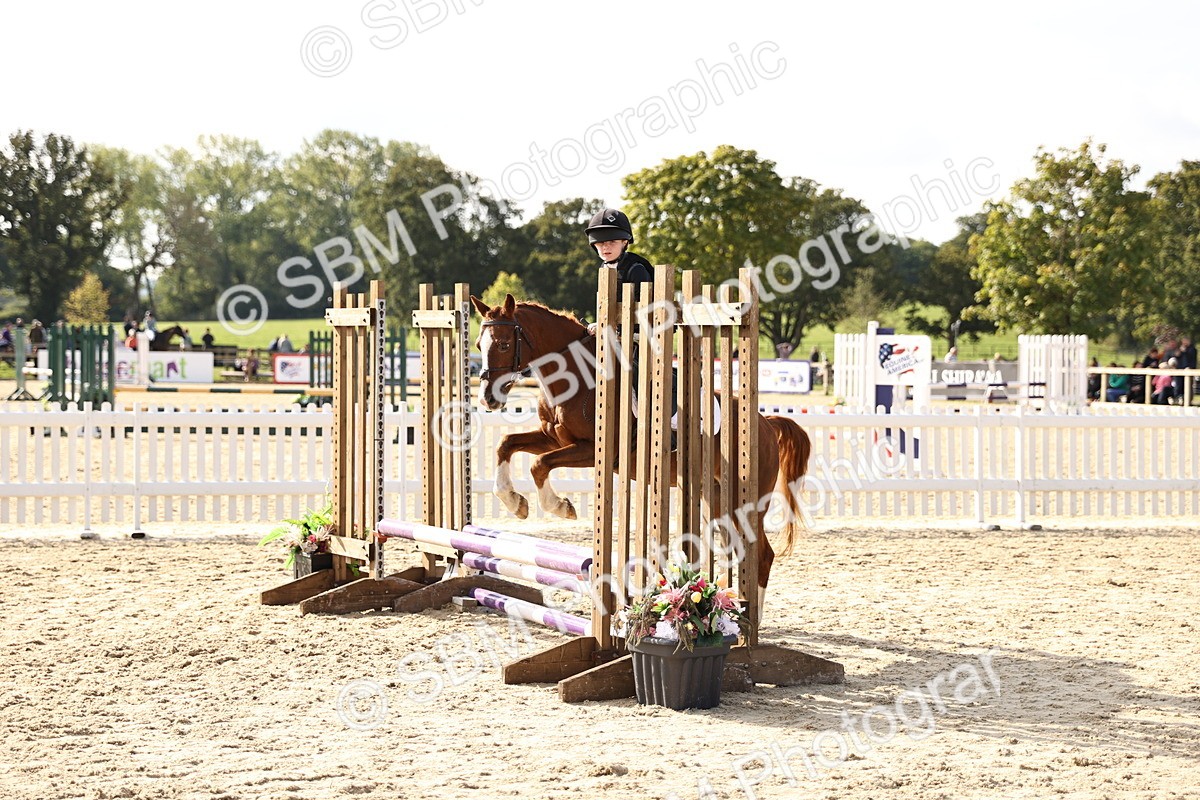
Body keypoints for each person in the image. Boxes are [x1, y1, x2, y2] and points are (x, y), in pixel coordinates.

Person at [583, 208, 653, 337]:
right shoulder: (603, 268)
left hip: (640, 337)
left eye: (612, 242)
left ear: (624, 242)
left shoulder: (637, 269)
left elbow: (644, 310)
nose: (605, 247)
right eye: (600, 243)